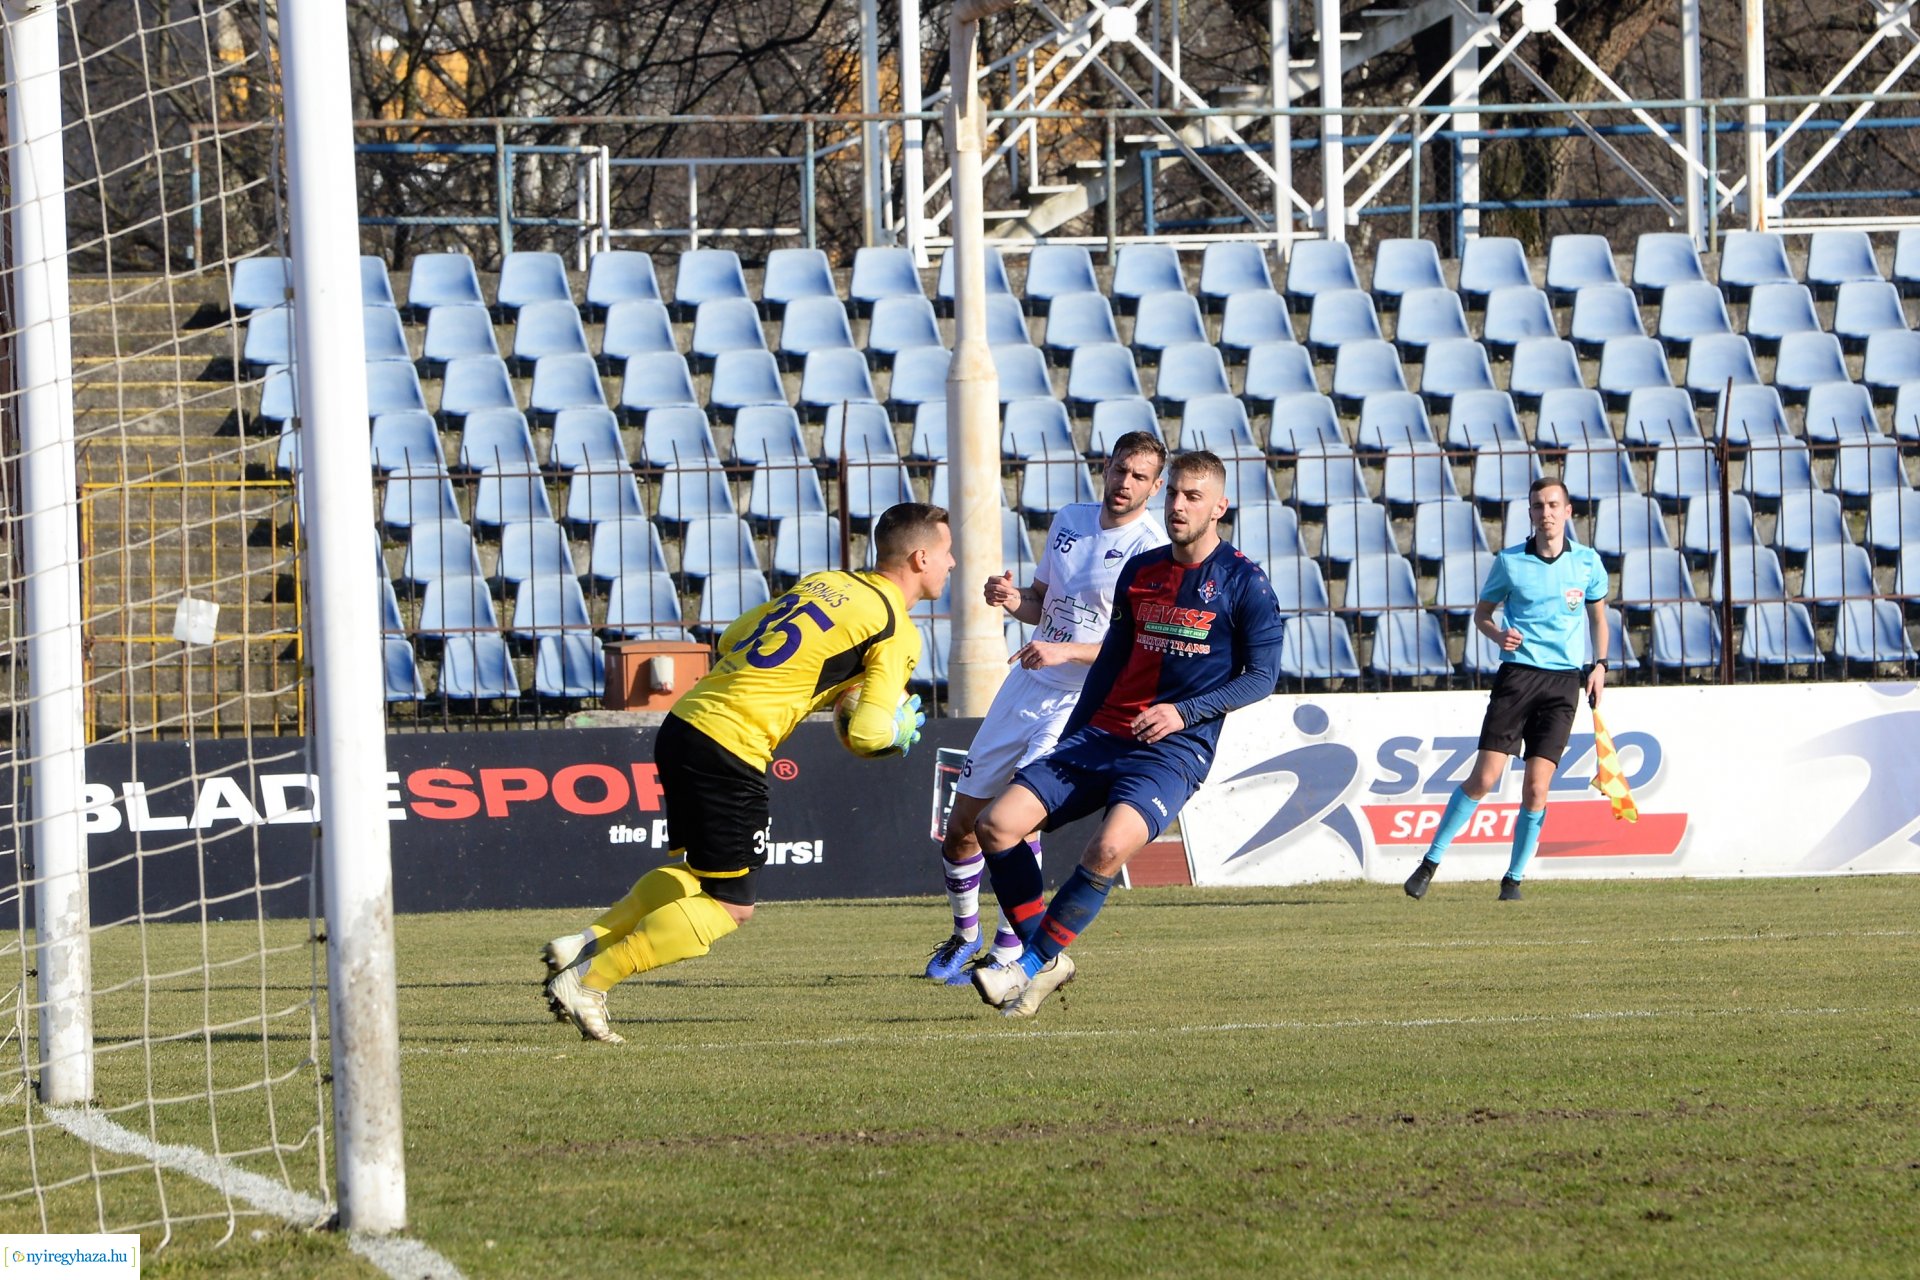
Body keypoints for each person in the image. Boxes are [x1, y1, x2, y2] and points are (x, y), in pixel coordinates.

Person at [543, 502, 954, 1042]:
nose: (951, 566)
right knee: (732, 906)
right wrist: (897, 733)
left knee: (701, 874)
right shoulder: (896, 631)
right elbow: (868, 734)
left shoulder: (826, 583)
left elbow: (734, 637)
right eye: (948, 555)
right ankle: (591, 981)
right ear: (922, 557)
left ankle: (587, 941)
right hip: (732, 745)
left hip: (686, 723)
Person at [968, 451, 1286, 1018]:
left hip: (1173, 751)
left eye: (1193, 496)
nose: (1179, 506)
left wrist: (1185, 714)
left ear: (1220, 506)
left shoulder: (1245, 583)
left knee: (1108, 848)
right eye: (1175, 496)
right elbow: (1111, 661)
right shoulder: (1141, 572)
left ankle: (1028, 964)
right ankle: (1050, 956)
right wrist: (1075, 733)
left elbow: (1261, 678)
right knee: (995, 826)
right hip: (1101, 734)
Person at [923, 434, 1170, 985]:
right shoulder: (1069, 519)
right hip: (1026, 685)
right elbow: (1041, 603)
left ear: (1155, 488)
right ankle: (966, 938)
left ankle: (1012, 951)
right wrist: (1013, 601)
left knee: (1017, 819)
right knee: (963, 825)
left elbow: (1135, 645)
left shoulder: (1152, 550)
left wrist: (1065, 649)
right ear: (1105, 469)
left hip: (1080, 701)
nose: (1124, 484)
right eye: (1119, 470)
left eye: (1139, 477)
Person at [1403, 477, 1609, 902]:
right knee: (1485, 777)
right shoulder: (1510, 562)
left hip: (1563, 682)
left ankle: (1513, 880)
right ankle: (1430, 862)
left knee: (1537, 787)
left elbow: (1598, 620)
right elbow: (1481, 615)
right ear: (1530, 513)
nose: (1546, 513)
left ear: (1568, 512)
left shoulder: (1588, 562)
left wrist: (1600, 665)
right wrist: (1499, 636)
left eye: (1553, 505)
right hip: (1517, 677)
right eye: (1538, 506)